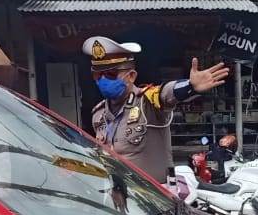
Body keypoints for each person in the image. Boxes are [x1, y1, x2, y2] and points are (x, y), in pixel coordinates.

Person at [84, 36, 229, 182]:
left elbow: (166, 93)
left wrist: (190, 85)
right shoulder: (99, 114)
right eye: (97, 74)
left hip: (155, 199)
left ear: (131, 76)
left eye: (110, 74)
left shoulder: (148, 102)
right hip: (117, 195)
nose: (103, 80)